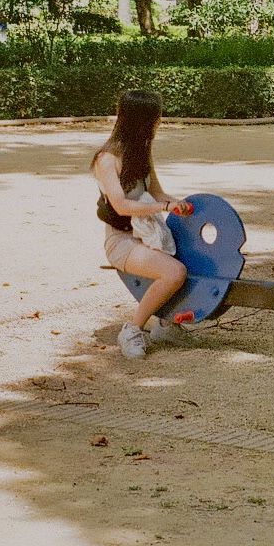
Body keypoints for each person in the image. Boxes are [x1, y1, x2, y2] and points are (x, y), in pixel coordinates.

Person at [92, 90, 192, 359]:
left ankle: (166, 325)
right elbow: (121, 205)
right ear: (141, 122)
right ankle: (132, 329)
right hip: (122, 241)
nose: (159, 123)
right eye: (155, 118)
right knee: (174, 272)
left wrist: (180, 205)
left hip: (147, 233)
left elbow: (159, 194)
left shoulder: (141, 153)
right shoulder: (107, 159)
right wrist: (164, 207)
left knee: (187, 259)